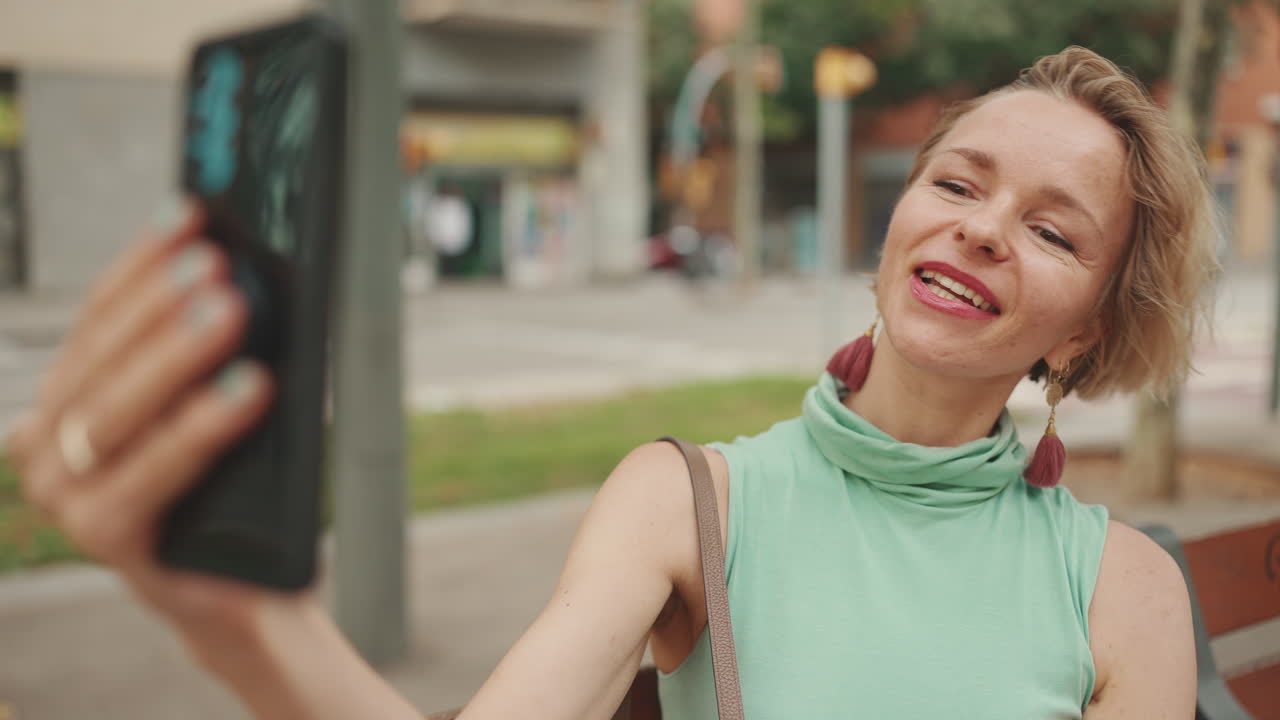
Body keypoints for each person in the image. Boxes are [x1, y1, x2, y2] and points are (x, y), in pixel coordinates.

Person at [10, 46, 1216, 718]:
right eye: (954, 183)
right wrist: (239, 620)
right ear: (897, 220)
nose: (982, 229)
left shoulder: (1125, 588)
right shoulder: (685, 501)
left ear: (1085, 334)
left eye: (1050, 231)